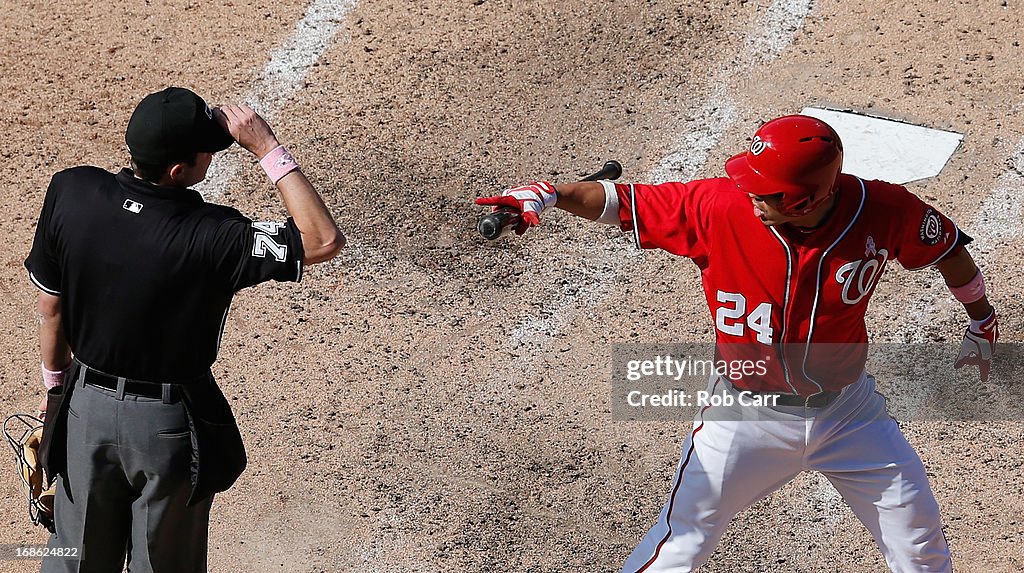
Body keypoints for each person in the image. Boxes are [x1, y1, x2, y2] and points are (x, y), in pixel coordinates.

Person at [476, 115, 998, 572]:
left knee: (921, 547)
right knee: (680, 544)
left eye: (766, 190)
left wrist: (981, 318)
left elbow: (947, 249)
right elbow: (617, 200)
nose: (750, 193)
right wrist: (548, 194)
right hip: (745, 416)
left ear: (809, 197)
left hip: (849, 414)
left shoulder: (883, 209)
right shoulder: (719, 206)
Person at [26, 86, 343, 573]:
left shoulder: (71, 192)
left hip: (83, 409)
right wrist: (267, 149)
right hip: (166, 429)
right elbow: (320, 238)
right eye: (206, 152)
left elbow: (52, 308)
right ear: (180, 171)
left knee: (77, 561)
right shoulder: (215, 236)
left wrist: (55, 393)